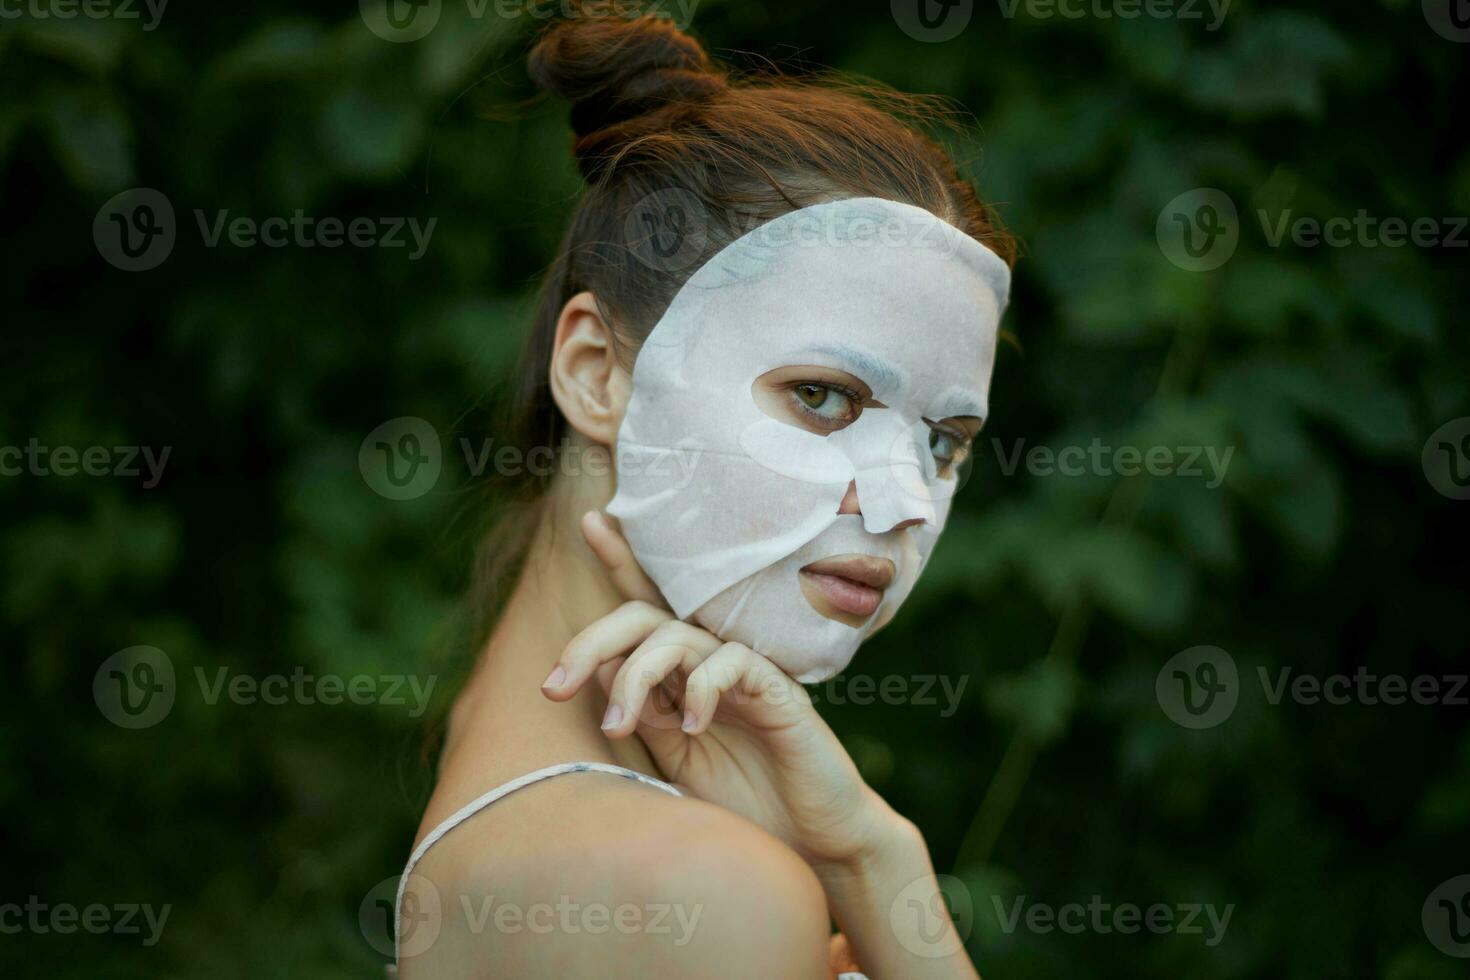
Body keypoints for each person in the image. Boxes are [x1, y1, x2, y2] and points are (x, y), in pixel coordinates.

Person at [393, 7, 1014, 978]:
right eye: (822, 397)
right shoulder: (700, 886)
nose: (907, 505)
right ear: (597, 372)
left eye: (944, 442)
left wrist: (870, 854)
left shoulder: (532, 791)